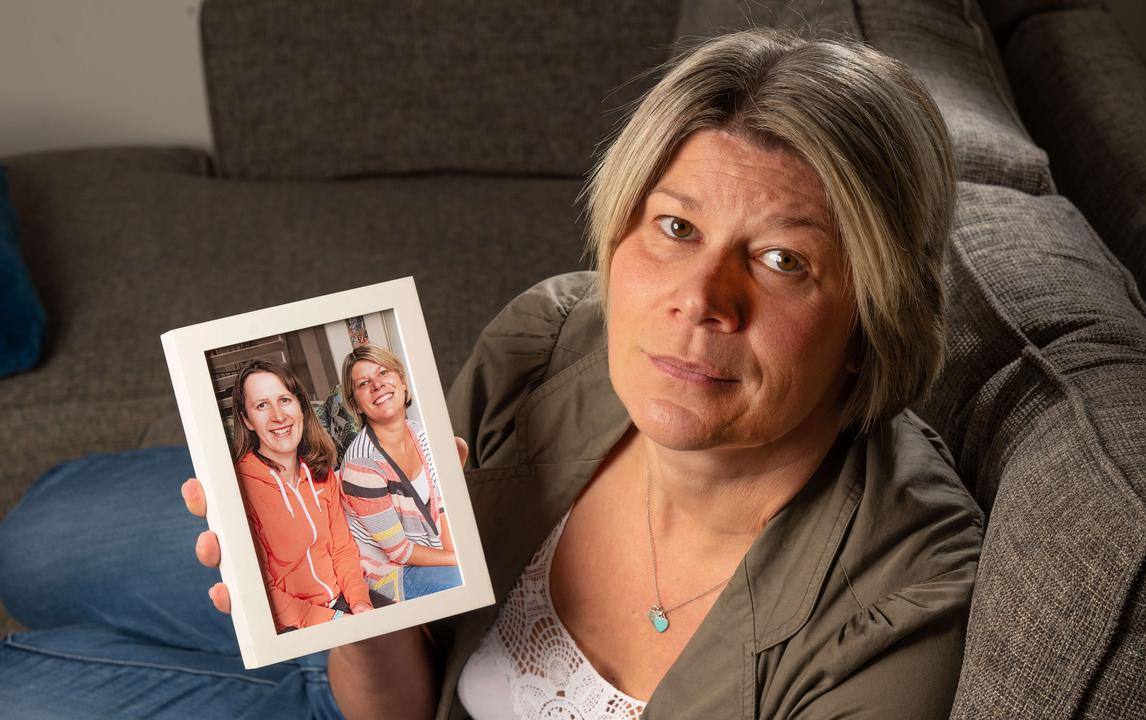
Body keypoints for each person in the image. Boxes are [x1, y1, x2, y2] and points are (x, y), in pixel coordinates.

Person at [0, 27, 981, 719]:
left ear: (873, 314)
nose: (699, 299)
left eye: (781, 261)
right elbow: (399, 667)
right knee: (32, 538)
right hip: (390, 682)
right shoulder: (557, 335)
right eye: (674, 228)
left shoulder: (896, 605)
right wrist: (364, 623)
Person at [230, 359, 375, 630]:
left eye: (284, 400)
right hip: (291, 625)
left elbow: (343, 550)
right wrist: (335, 621)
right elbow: (263, 590)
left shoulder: (322, 474)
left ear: (300, 406)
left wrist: (360, 603)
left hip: (343, 604)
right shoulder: (239, 489)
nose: (278, 416)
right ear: (247, 420)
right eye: (262, 405)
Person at [337, 344, 461, 604]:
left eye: (383, 373)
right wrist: (459, 558)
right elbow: (399, 552)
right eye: (363, 383)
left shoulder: (422, 435)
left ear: (402, 383)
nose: (377, 385)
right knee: (463, 579)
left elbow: (442, 510)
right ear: (356, 406)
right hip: (389, 573)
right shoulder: (362, 464)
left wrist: (460, 551)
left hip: (429, 550)